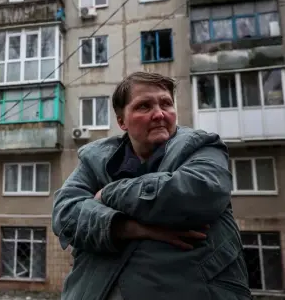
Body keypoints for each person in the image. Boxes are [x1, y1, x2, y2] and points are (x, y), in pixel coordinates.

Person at [52, 72, 251, 300]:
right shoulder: (96, 159)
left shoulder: (201, 146)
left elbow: (200, 193)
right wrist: (129, 228)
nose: (159, 114)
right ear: (121, 121)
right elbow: (64, 214)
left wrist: (109, 193)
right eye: (144, 106)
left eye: (166, 103)